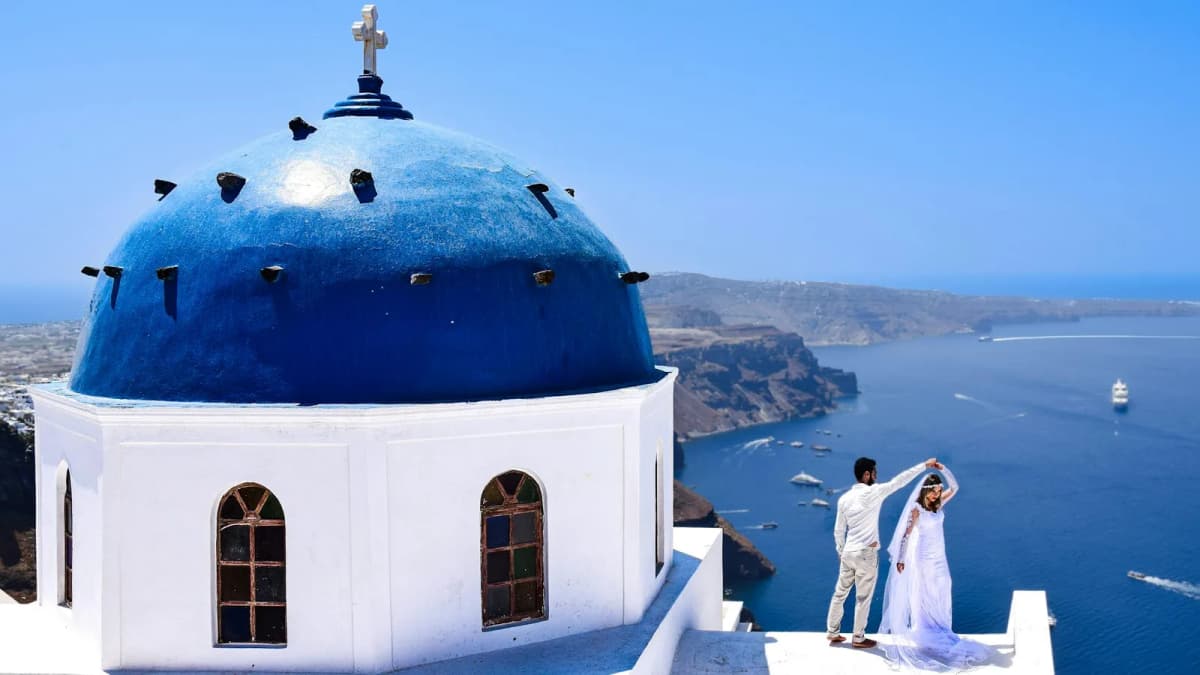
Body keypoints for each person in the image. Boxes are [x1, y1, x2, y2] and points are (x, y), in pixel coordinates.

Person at [878, 465, 994, 671]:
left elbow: (955, 488)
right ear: (926, 490)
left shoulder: (937, 506)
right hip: (924, 557)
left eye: (939, 491)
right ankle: (927, 628)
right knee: (927, 591)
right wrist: (901, 559)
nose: (937, 494)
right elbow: (905, 535)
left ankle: (941, 626)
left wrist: (944, 469)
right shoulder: (917, 509)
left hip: (940, 556)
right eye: (934, 491)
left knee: (943, 586)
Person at [827, 456, 938, 648]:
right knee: (863, 597)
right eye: (875, 473)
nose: (877, 476)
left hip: (848, 552)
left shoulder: (844, 499)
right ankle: (859, 637)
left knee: (840, 593)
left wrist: (841, 552)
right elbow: (899, 481)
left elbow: (838, 530)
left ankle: (832, 632)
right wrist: (924, 466)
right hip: (866, 554)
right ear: (867, 474)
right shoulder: (874, 493)